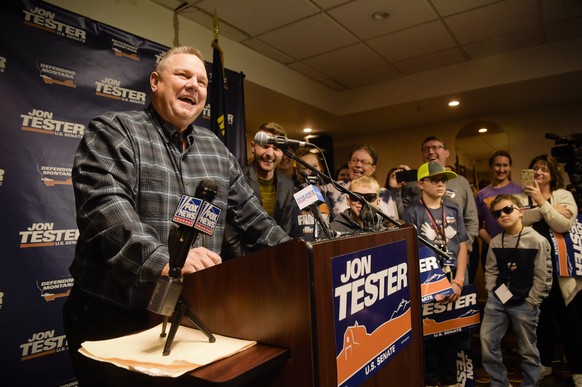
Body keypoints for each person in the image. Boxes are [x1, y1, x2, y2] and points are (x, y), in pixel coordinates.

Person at [63, 46, 291, 386]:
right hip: (115, 316)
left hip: (189, 317)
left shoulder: (216, 149)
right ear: (155, 82)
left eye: (201, 80)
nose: (194, 85)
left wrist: (298, 255)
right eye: (183, 75)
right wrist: (163, 260)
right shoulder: (115, 131)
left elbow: (254, 219)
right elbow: (105, 210)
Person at [402, 161, 468, 387]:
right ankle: (430, 381)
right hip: (427, 284)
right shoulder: (411, 212)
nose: (441, 183)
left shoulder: (453, 209)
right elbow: (409, 252)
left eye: (444, 180)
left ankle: (450, 381)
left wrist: (459, 281)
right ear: (421, 184)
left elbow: (463, 246)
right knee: (428, 339)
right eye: (435, 179)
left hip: (453, 281)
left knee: (452, 336)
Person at [522, 154, 582, 385]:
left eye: (544, 169)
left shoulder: (564, 195)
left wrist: (542, 202)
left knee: (572, 323)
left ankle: (578, 370)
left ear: (552, 173)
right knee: (541, 322)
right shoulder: (522, 196)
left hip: (564, 271)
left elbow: (563, 224)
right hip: (536, 271)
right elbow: (519, 220)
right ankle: (544, 364)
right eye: (535, 168)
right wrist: (548, 208)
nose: (538, 172)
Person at [480, 194, 552, 387]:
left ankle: (531, 384)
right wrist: (491, 292)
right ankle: (500, 383)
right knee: (487, 343)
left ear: (521, 212)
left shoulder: (537, 240)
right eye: (497, 213)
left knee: (528, 350)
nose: (503, 215)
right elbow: (491, 270)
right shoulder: (496, 241)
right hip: (499, 299)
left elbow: (543, 276)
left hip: (526, 302)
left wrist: (532, 302)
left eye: (508, 209)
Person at [221, 122, 297, 258]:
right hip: (241, 262)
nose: (270, 153)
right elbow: (229, 233)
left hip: (275, 259)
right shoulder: (236, 179)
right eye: (265, 146)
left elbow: (285, 228)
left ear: (283, 152)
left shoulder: (288, 185)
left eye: (276, 148)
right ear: (253, 147)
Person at [402, 136, 478, 252]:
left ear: (447, 153)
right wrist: (395, 191)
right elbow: (403, 214)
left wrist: (465, 246)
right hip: (425, 255)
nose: (431, 152)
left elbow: (471, 218)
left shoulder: (461, 181)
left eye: (435, 147)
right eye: (426, 149)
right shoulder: (413, 183)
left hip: (456, 252)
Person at [473, 150, 523, 282]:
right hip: (491, 250)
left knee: (517, 285)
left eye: (505, 165)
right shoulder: (482, 194)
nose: (501, 169)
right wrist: (492, 243)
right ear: (491, 167)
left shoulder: (520, 191)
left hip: (518, 248)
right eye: (497, 165)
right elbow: (477, 224)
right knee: (495, 287)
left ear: (510, 167)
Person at [292, 147, 332, 241]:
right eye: (305, 167)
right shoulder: (291, 196)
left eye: (314, 166)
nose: (311, 170)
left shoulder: (327, 196)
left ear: (320, 169)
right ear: (298, 172)